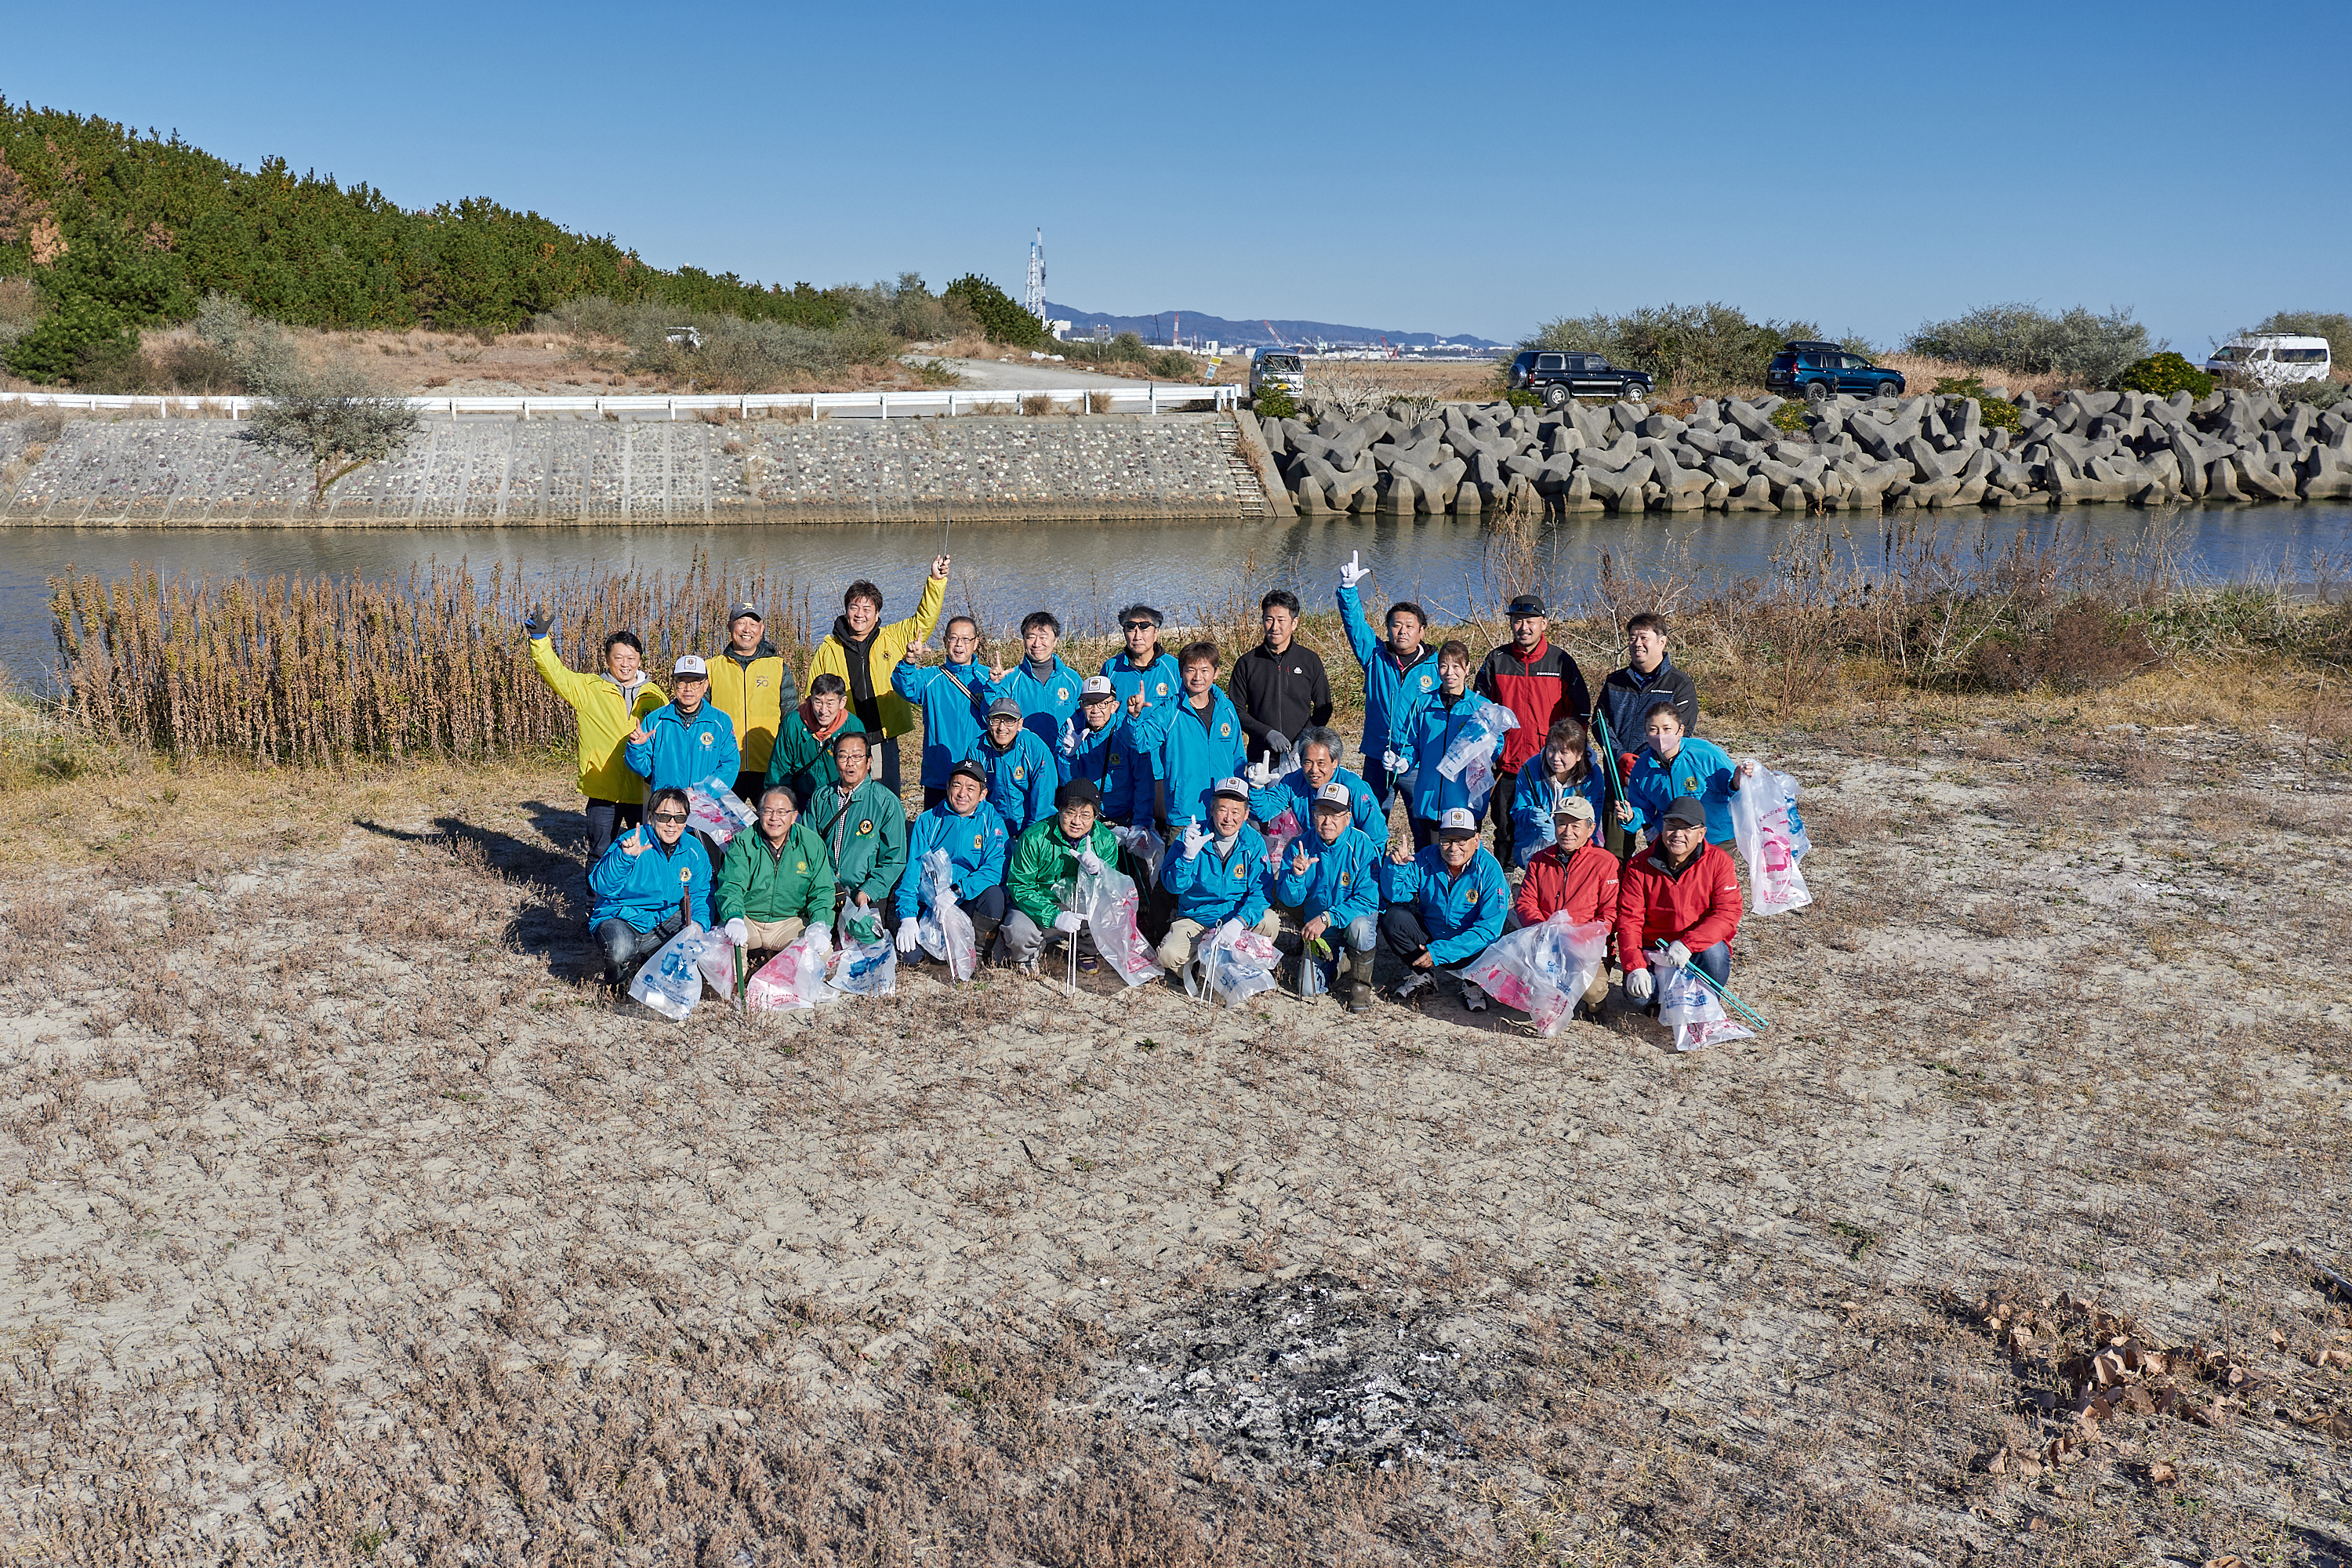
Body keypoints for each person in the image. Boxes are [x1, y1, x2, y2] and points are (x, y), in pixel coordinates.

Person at [524, 612, 666, 885]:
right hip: (603, 788)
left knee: (648, 851)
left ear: (640, 660)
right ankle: (594, 904)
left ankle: (640, 901)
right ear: (608, 659)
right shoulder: (589, 689)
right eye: (619, 658)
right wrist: (539, 640)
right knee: (600, 852)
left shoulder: (655, 695)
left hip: (643, 789)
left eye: (631, 658)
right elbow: (554, 672)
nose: (625, 664)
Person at [805, 557, 949, 794]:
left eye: (867, 609)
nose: (859, 615)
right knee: (845, 796)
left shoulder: (893, 638)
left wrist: (935, 580)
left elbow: (924, 620)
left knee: (885, 797)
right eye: (854, 607)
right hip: (843, 739)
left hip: (882, 738)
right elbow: (812, 697)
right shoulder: (828, 648)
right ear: (846, 610)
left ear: (877, 612)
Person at [1475, 593, 1591, 871]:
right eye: (1517, 621)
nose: (1523, 627)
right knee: (1504, 829)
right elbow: (1479, 710)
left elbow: (1581, 712)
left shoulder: (1560, 662)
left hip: (1548, 766)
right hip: (1507, 765)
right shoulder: (1497, 660)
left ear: (1544, 624)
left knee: (1551, 829)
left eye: (1530, 621)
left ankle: (1550, 879)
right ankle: (1504, 883)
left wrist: (1571, 756)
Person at [1335, 554, 1439, 818]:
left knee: (1423, 823)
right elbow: (1356, 627)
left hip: (1416, 761)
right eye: (1396, 625)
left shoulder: (1437, 667)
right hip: (1377, 757)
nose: (1402, 631)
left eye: (1409, 626)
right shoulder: (1375, 657)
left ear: (1422, 631)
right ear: (1389, 629)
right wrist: (1349, 590)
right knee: (1370, 820)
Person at [1616, 796, 1741, 1014]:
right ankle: (1661, 1001)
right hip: (1655, 949)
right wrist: (1635, 966)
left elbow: (1727, 912)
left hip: (1697, 949)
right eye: (1671, 826)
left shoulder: (1719, 861)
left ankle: (1704, 998)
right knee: (1638, 996)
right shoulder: (1638, 865)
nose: (1677, 834)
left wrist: (1687, 944)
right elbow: (1629, 920)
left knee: (1715, 953)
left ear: (1701, 833)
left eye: (1687, 828)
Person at [1379, 806, 1508, 1011]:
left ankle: (1473, 982)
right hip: (1432, 937)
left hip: (1470, 947)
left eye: (1461, 840)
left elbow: (1489, 928)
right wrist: (1397, 868)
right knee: (1393, 918)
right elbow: (1395, 896)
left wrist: (1440, 952)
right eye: (1447, 840)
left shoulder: (1490, 870)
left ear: (1476, 840)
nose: (1453, 848)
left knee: (1489, 941)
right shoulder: (1426, 858)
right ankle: (1423, 976)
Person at [1595, 613, 1699, 858]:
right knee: (1615, 854)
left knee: (1666, 851)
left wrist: (1643, 761)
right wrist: (1620, 756)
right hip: (1618, 780)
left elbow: (1681, 731)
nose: (1637, 644)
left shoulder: (1679, 684)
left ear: (1662, 642)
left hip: (1659, 781)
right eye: (1632, 638)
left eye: (1644, 637)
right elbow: (1600, 723)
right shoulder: (1615, 682)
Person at [1509, 796, 1621, 1023]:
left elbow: (1610, 913)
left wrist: (1578, 937)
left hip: (1585, 946)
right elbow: (1526, 903)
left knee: (1593, 990)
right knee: (1521, 985)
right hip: (1545, 941)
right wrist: (1546, 930)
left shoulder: (1605, 862)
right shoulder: (1540, 859)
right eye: (1561, 824)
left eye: (1575, 825)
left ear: (1590, 829)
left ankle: (1595, 1006)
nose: (1567, 832)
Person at [587, 786, 712, 989]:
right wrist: (625, 858)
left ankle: (652, 964)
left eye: (680, 818)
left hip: (666, 918)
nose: (672, 824)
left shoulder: (694, 850)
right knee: (619, 949)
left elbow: (700, 894)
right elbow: (601, 885)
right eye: (664, 816)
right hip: (623, 918)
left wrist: (699, 924)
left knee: (699, 929)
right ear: (650, 817)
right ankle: (617, 980)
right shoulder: (631, 842)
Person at [1272, 782, 1381, 1013]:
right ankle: (1339, 963)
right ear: (1313, 815)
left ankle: (1361, 988)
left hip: (1346, 920)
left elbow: (1368, 900)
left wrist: (1327, 918)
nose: (1327, 821)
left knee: (1361, 928)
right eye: (1321, 813)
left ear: (1348, 818)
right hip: (1321, 931)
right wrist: (1296, 876)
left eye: (1335, 814)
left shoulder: (1363, 846)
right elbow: (1288, 901)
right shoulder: (1300, 846)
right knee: (1307, 989)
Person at [1156, 777, 1280, 977]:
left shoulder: (1254, 842)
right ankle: (1201, 969)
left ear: (1246, 814)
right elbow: (1173, 886)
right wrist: (1187, 857)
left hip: (1236, 917)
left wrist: (1239, 921)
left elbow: (1261, 891)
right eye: (1223, 810)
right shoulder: (1192, 836)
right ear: (1212, 810)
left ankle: (1239, 965)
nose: (1228, 818)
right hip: (1197, 918)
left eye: (1236, 812)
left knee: (1270, 921)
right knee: (1168, 955)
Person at [1000, 779, 1123, 975]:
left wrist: (1100, 871)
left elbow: (1112, 888)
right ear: (1059, 810)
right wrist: (1054, 916)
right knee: (1018, 928)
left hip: (1081, 905)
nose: (1076, 821)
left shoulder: (1105, 839)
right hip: (1041, 903)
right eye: (1070, 813)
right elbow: (1020, 886)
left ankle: (1086, 949)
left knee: (1112, 913)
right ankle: (1028, 955)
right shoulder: (1034, 837)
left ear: (1095, 816)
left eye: (1085, 815)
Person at [1125, 641, 1248, 833]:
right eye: (1191, 670)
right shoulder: (1170, 711)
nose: (1198, 677)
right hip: (1184, 814)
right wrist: (1134, 717)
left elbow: (1238, 760)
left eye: (1205, 670)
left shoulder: (1226, 709)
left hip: (1224, 815)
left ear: (1216, 673)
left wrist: (1239, 801)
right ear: (1181, 673)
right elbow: (1141, 742)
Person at [897, 759, 1011, 963]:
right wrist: (907, 916)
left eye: (971, 788)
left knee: (994, 896)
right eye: (957, 785)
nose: (962, 794)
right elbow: (912, 872)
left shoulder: (993, 822)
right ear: (948, 787)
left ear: (983, 794)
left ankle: (979, 950)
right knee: (911, 956)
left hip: (969, 900)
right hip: (933, 904)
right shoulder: (928, 820)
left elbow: (994, 870)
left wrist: (957, 891)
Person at [1396, 641, 1501, 851]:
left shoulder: (1481, 707)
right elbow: (1411, 743)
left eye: (1456, 666)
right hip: (1430, 799)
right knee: (1429, 857)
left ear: (1467, 669)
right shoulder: (1423, 704)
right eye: (1444, 666)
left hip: (1465, 801)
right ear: (1437, 668)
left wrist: (1487, 746)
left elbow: (1496, 747)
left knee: (1463, 856)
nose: (1450, 672)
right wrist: (1404, 761)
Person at [715, 784, 835, 967]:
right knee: (722, 949)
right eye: (768, 811)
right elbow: (731, 885)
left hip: (789, 922)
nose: (774, 818)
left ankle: (779, 975)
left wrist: (820, 924)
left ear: (794, 816)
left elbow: (822, 891)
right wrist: (734, 917)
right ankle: (740, 978)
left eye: (782, 812)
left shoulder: (811, 844)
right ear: (759, 813)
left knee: (820, 953)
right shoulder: (743, 842)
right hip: (748, 919)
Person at [891, 615, 1004, 808]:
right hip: (940, 774)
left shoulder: (989, 677)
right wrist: (909, 662)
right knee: (937, 824)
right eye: (954, 638)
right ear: (945, 641)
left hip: (980, 773)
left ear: (976, 643)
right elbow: (906, 687)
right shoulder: (930, 677)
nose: (959, 644)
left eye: (966, 639)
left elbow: (995, 719)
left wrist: (993, 687)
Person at [806, 731, 908, 941]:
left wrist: (869, 890)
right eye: (843, 756)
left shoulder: (885, 801)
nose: (850, 763)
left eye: (857, 756)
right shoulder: (821, 798)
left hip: (864, 895)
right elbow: (808, 847)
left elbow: (895, 857)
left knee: (867, 947)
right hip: (825, 891)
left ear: (869, 762)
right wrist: (829, 883)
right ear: (835, 762)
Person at [1624, 702, 1758, 850]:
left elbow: (1734, 790)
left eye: (1667, 729)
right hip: (1676, 839)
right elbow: (1642, 809)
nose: (1660, 735)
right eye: (1653, 730)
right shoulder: (1642, 768)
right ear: (1645, 732)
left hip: (1716, 839)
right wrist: (1631, 817)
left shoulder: (1706, 754)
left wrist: (1737, 784)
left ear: (1681, 730)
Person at [1228, 589, 1332, 769]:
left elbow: (1324, 708)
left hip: (1301, 757)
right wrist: (1267, 733)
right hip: (1260, 758)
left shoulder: (1309, 660)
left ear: (1294, 623)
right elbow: (1235, 710)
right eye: (1269, 619)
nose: (1274, 627)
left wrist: (1304, 739)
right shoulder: (1247, 663)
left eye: (1281, 620)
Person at [709, 601, 797, 804]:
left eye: (753, 624)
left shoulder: (778, 667)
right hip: (725, 766)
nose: (747, 630)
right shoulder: (712, 668)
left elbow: (790, 718)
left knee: (772, 820)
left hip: (769, 766)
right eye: (741, 623)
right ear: (730, 626)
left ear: (762, 629)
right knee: (724, 822)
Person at [1101, 604, 1178, 822]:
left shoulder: (1174, 669)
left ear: (1156, 632)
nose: (1137, 635)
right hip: (1121, 765)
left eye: (1144, 627)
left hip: (1160, 764)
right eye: (1131, 628)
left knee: (1163, 824)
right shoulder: (1112, 668)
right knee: (1126, 825)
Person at [625, 654, 740, 797]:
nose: (688, 688)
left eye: (695, 682)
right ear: (674, 684)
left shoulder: (721, 722)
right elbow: (643, 769)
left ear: (705, 685)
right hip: (666, 802)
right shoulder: (656, 720)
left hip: (706, 803)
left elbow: (730, 765)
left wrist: (702, 792)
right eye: (682, 682)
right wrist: (636, 747)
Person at [1246, 724, 1382, 843]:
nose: (1314, 770)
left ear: (1335, 762)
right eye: (1308, 762)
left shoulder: (1353, 786)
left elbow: (1377, 835)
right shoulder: (1294, 783)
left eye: (1321, 763)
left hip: (1350, 855)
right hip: (1315, 851)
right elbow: (1262, 813)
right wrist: (1257, 788)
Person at [1507, 717, 1612, 870]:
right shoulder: (1530, 769)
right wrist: (1531, 815)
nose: (1556, 758)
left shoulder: (1592, 775)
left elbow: (1592, 817)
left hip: (1575, 843)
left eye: (1564, 752)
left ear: (1579, 755)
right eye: (1551, 750)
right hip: (1536, 845)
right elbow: (1517, 812)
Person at [764, 673, 866, 812]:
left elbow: (861, 774)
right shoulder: (793, 723)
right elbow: (779, 773)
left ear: (842, 702)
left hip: (838, 800)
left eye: (830, 703)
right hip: (799, 799)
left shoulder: (853, 726)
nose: (823, 711)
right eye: (818, 702)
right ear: (810, 699)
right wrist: (784, 809)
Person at [969, 696, 1058, 833]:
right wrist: (986, 829)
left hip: (1030, 826)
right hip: (993, 828)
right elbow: (974, 795)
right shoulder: (977, 749)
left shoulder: (1035, 747)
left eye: (1009, 721)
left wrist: (1032, 834)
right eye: (995, 720)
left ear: (1020, 724)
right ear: (987, 722)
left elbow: (1043, 798)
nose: (1001, 728)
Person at [999, 611, 1084, 753]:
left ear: (1055, 641)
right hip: (1025, 757)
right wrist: (993, 686)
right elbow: (995, 720)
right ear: (1024, 640)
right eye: (1031, 637)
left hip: (1066, 755)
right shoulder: (1011, 679)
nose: (1037, 644)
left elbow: (1084, 719)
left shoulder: (1072, 679)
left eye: (1043, 637)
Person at [1060, 675, 1139, 824]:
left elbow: (1143, 781)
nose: (1095, 710)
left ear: (1114, 706)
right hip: (1083, 818)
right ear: (1082, 706)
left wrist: (1141, 823)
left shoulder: (1126, 730)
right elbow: (1065, 784)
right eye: (1089, 704)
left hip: (1123, 816)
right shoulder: (1071, 730)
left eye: (1102, 704)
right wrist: (1068, 757)